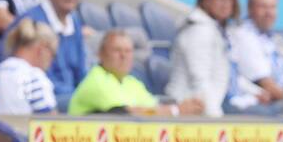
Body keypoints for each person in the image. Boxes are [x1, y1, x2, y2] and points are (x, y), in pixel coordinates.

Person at [166, 0, 267, 117]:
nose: (225, 3)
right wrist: (216, 119)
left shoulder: (219, 31)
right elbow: (200, 82)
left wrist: (255, 91)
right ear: (206, 0)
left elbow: (229, 75)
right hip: (192, 108)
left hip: (215, 103)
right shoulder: (199, 31)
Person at [69, 30, 202, 116]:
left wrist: (187, 107)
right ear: (101, 54)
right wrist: (176, 110)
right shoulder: (97, 80)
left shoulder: (132, 82)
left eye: (128, 51)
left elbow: (152, 109)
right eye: (117, 50)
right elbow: (129, 114)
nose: (123, 56)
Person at [9, 0, 85, 106]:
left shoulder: (74, 20)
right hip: (42, 99)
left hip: (71, 97)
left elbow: (81, 71)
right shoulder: (32, 22)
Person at [0, 16, 54, 113]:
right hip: (20, 128)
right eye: (53, 54)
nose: (51, 62)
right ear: (42, 49)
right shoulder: (33, 76)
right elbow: (49, 122)